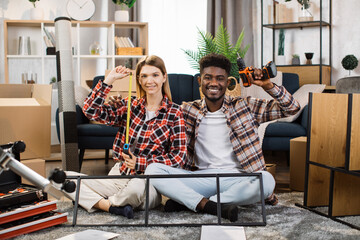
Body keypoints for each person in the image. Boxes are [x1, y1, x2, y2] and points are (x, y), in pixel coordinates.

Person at [144, 53, 301, 222]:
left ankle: (197, 203)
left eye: (220, 78)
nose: (213, 83)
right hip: (200, 178)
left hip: (236, 179)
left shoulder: (246, 106)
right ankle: (208, 204)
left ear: (228, 82)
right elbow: (155, 117)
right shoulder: (187, 110)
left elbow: (292, 108)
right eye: (208, 78)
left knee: (267, 180)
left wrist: (267, 85)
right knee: (153, 170)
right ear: (199, 81)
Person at [65, 55, 187, 219]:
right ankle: (111, 206)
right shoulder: (130, 106)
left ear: (164, 77)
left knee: (135, 191)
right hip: (120, 175)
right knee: (63, 179)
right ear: (139, 79)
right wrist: (109, 80)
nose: (149, 80)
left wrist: (141, 162)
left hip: (147, 180)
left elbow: (179, 157)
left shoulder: (175, 112)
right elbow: (90, 111)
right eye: (144, 76)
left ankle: (95, 201)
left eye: (155, 75)